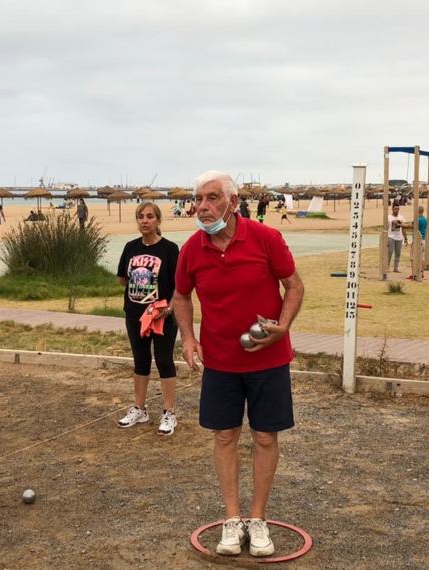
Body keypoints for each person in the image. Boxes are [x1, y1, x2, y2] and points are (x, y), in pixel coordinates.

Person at [172, 170, 304, 558]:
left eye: (212, 197)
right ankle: (232, 520)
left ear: (232, 202)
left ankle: (258, 519)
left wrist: (283, 326)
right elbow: (182, 297)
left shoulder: (266, 238)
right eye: (198, 198)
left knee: (265, 437)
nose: (202, 205)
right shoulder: (192, 249)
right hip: (220, 363)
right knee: (225, 436)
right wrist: (189, 337)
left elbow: (294, 286)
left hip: (269, 360)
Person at [116, 202, 180, 436]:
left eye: (150, 216)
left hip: (162, 316)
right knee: (140, 361)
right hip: (135, 314)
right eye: (141, 216)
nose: (145, 220)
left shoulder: (170, 249)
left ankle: (169, 412)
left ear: (158, 221)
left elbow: (179, 286)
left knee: (164, 361)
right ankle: (140, 408)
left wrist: (169, 308)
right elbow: (123, 278)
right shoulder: (130, 247)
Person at [386, 205, 406, 273]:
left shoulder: (401, 217)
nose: (396, 210)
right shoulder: (389, 217)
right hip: (391, 237)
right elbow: (386, 228)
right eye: (395, 209)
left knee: (398, 253)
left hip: (399, 238)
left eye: (398, 209)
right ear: (392, 209)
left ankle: (395, 267)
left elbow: (403, 228)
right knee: (390, 252)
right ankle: (387, 267)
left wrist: (405, 238)